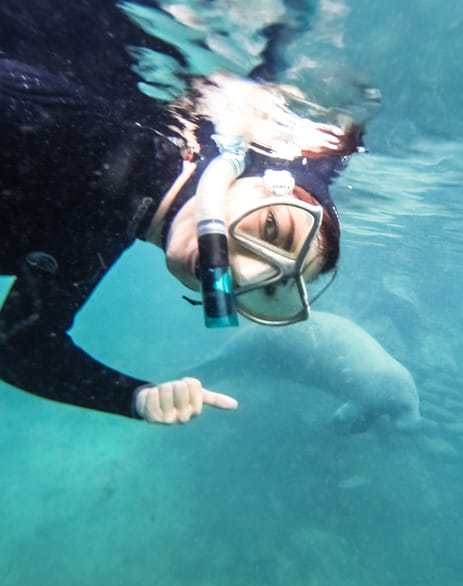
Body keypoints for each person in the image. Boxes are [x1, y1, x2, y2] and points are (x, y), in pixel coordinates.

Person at [0, 2, 363, 424]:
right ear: (256, 177)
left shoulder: (104, 228)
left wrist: (137, 397)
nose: (240, 271)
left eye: (265, 288)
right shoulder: (100, 142)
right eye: (270, 226)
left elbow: (18, 348)